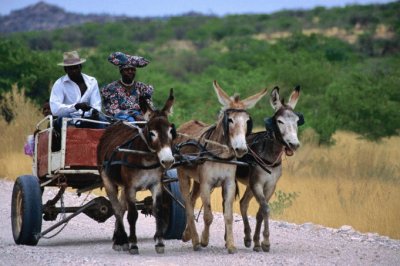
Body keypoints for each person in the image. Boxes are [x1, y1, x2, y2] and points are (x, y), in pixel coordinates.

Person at [49, 50, 103, 129]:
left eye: (75, 68)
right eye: (70, 69)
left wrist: (93, 111)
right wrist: (76, 107)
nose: (74, 71)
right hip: (68, 118)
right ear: (65, 69)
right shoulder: (59, 84)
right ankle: (70, 138)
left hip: (88, 119)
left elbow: (96, 105)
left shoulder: (92, 81)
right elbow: (55, 110)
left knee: (103, 121)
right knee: (63, 118)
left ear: (80, 67)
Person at [101, 51, 154, 122]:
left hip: (142, 119)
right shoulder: (111, 88)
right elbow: (113, 110)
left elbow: (149, 107)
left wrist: (142, 116)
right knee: (130, 120)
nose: (130, 72)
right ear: (121, 72)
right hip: (120, 122)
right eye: (127, 70)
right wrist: (134, 115)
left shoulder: (142, 88)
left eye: (133, 70)